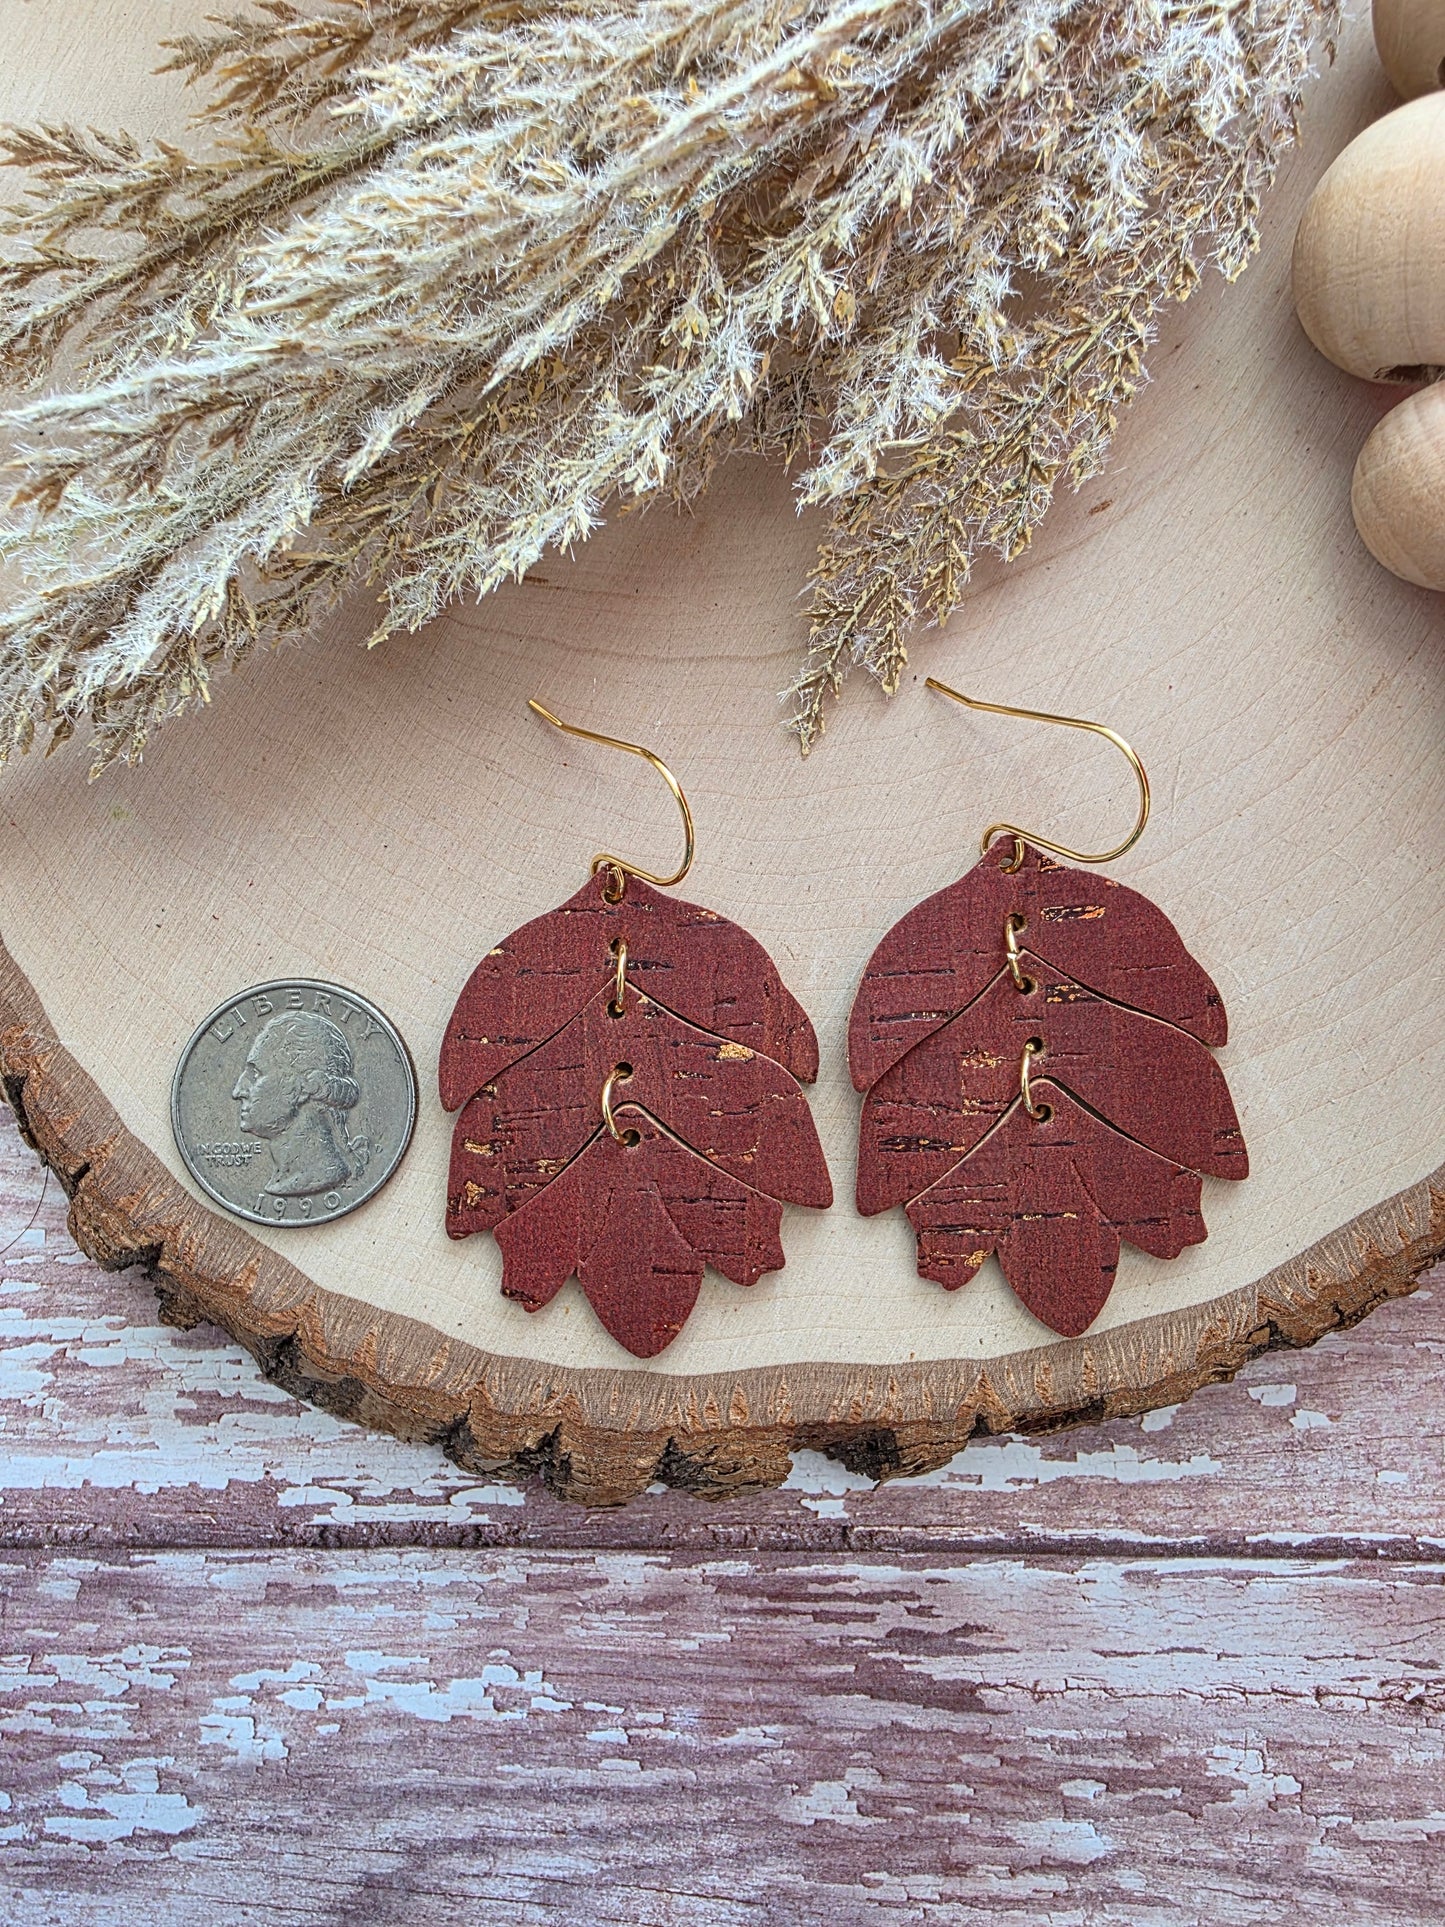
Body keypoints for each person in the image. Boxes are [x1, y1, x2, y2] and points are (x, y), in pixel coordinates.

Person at [231, 1010, 369, 1199]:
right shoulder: (284, 1179)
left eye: (256, 1074)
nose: (238, 1091)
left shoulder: (319, 1176)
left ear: (303, 1088)